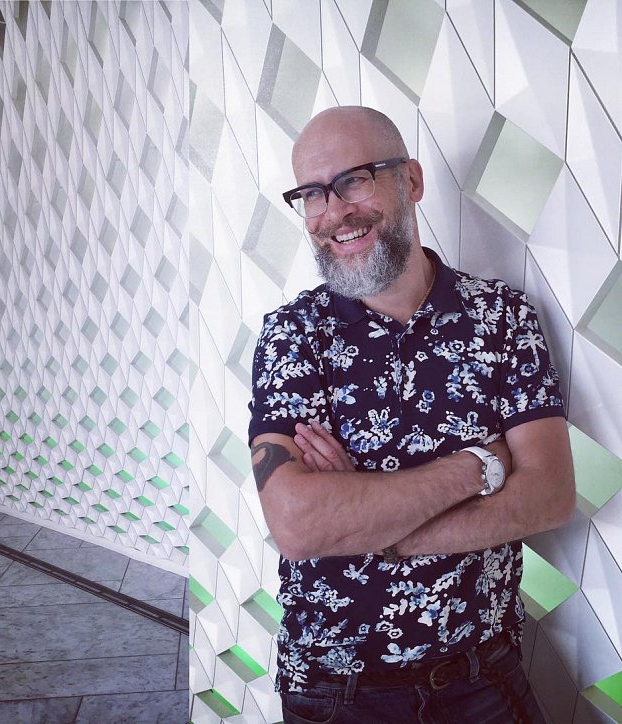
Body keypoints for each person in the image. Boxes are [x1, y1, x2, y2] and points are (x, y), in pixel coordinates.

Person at [247, 106, 575, 723]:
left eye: (354, 179)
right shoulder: (294, 335)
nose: (334, 212)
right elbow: (298, 524)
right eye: (311, 193)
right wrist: (477, 466)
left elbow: (550, 495)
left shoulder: (503, 318)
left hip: (486, 674)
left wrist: (374, 527)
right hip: (338, 692)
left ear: (412, 181)